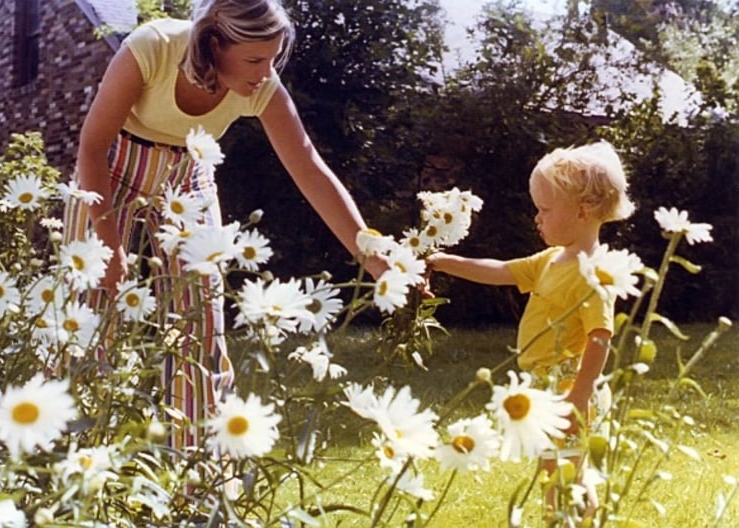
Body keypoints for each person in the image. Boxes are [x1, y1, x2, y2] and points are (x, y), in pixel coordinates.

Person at [62, 0, 385, 449]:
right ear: (213, 44)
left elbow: (310, 168)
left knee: (202, 326)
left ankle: (201, 490)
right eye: (254, 59)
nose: (265, 71)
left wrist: (372, 254)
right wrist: (111, 246)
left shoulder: (261, 85)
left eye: (273, 58)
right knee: (88, 315)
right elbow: (92, 147)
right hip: (111, 165)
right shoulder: (152, 46)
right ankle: (71, 461)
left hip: (187, 176)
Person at [425, 141, 635, 516]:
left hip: (569, 390)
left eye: (544, 209)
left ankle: (570, 520)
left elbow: (600, 337)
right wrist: (447, 262)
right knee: (557, 469)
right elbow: (503, 271)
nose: (536, 218)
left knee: (564, 472)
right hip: (545, 386)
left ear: (583, 210)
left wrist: (580, 394)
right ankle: (564, 519)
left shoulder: (593, 274)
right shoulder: (552, 259)